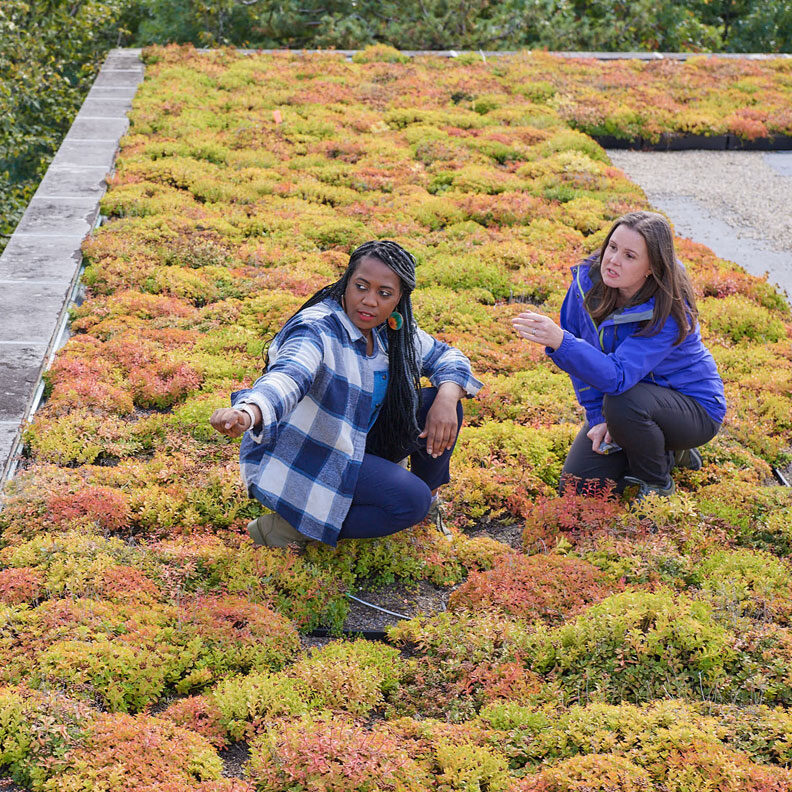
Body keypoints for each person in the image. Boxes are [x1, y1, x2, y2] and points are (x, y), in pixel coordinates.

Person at [210, 240, 482, 548]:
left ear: (399, 299)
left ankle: (429, 503)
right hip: (313, 454)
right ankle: (291, 527)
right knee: (409, 502)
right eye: (361, 286)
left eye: (384, 293)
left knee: (441, 403)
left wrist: (448, 397)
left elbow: (448, 357)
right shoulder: (317, 329)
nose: (369, 301)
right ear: (346, 282)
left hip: (356, 442)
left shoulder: (392, 329)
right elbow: (288, 376)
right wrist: (249, 412)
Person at [511, 211, 726, 500]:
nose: (613, 260)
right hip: (626, 403)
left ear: (651, 267)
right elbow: (582, 367)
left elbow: (618, 377)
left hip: (692, 408)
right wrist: (600, 417)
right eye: (612, 247)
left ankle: (656, 482)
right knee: (578, 488)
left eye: (629, 256)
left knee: (624, 402)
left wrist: (561, 341)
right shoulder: (586, 285)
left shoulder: (669, 309)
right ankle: (657, 445)